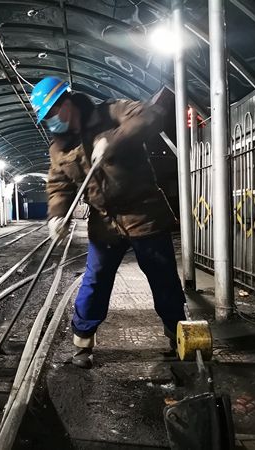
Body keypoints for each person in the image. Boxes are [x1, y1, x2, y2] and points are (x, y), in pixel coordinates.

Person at [30, 77, 187, 369]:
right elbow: (59, 186)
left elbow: (150, 114)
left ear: (66, 103)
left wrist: (113, 140)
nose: (50, 121)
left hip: (143, 214)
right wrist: (57, 215)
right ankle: (83, 342)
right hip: (104, 221)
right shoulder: (59, 148)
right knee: (96, 279)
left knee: (162, 276)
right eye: (46, 117)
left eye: (51, 113)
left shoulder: (111, 112)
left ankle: (177, 334)